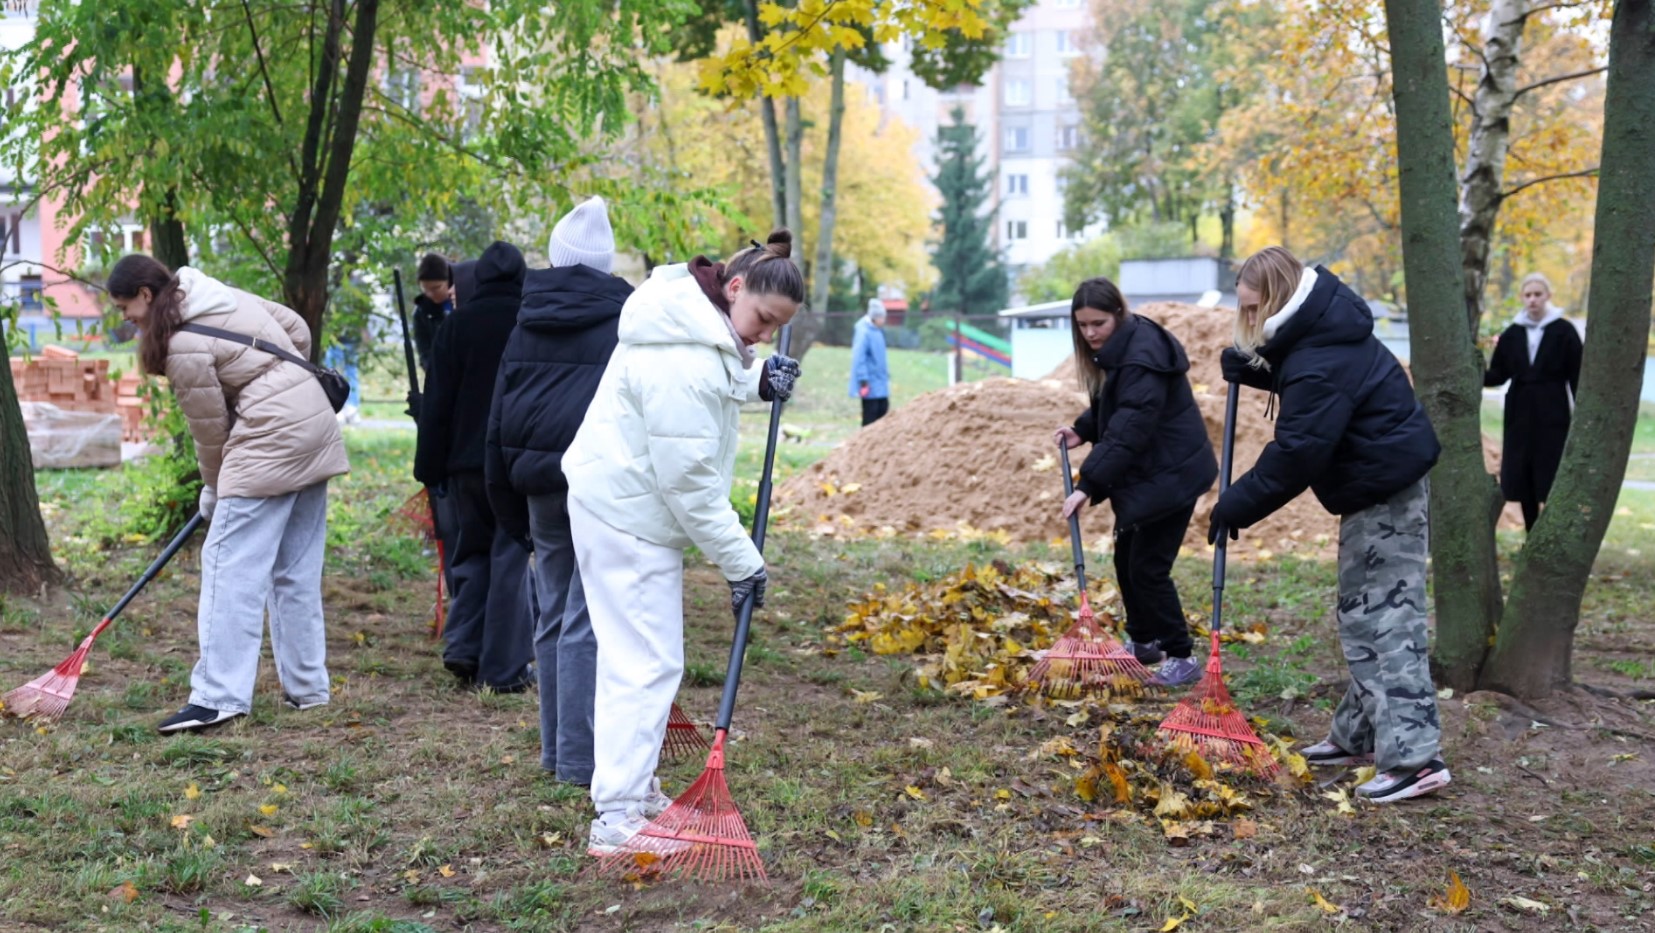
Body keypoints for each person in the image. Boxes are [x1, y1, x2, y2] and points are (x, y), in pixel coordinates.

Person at [561, 230, 803, 856]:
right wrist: (742, 565)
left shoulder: (691, 324)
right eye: (763, 320)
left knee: (643, 657)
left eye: (777, 330)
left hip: (623, 503)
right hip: (628, 515)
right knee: (643, 662)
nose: (764, 336)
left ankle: (634, 793)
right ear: (735, 287)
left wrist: (758, 384)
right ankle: (616, 817)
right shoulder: (683, 355)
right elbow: (689, 481)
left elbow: (717, 379)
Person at [1212, 245, 1449, 804]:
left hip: (1386, 492)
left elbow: (1299, 450)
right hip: (1373, 486)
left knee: (1386, 618)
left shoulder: (1321, 353)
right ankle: (1360, 735)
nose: (1247, 320)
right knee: (1360, 613)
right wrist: (1261, 373)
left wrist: (1235, 504)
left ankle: (1416, 759)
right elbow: (1322, 389)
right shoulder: (1320, 331)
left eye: (1252, 310)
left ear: (1274, 300)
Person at [106, 254, 349, 734]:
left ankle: (218, 696)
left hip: (269, 440)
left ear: (147, 295)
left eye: (124, 306)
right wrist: (275, 381)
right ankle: (308, 690)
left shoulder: (182, 346)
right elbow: (295, 329)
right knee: (295, 571)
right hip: (312, 426)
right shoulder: (217, 295)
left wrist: (216, 489)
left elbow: (210, 430)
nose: (125, 318)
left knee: (226, 565)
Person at [485, 197, 632, 787]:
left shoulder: (526, 316)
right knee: (584, 618)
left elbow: (498, 417)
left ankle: (554, 751)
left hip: (538, 488)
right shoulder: (625, 319)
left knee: (551, 613)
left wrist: (505, 507)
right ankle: (578, 760)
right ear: (605, 260)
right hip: (597, 481)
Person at [1052, 278, 1216, 688]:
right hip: (1150, 472)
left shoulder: (1142, 356)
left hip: (1171, 473)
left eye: (1099, 323)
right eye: (1083, 325)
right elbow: (1115, 406)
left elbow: (1130, 427)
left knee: (1148, 568)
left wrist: (1087, 484)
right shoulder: (1121, 349)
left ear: (1118, 314)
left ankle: (1180, 655)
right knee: (1127, 561)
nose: (1090, 333)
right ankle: (1144, 642)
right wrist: (1083, 429)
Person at [414, 241, 534, 693]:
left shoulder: (456, 327)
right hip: (512, 460)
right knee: (509, 557)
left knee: (470, 553)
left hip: (464, 463)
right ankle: (504, 670)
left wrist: (429, 467)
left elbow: (438, 402)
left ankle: (463, 647)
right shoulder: (528, 325)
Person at [1483, 272, 1583, 531]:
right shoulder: (1512, 333)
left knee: (1550, 465)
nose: (1533, 300)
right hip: (1520, 410)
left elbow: (1577, 375)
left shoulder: (1564, 331)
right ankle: (1531, 530)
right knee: (1523, 468)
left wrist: (1581, 412)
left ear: (1548, 296)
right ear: (1522, 298)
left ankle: (1554, 530)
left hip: (1553, 409)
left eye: (1538, 294)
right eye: (1528, 295)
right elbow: (1498, 373)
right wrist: (1471, 372)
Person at [850, 297, 890, 425]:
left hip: (880, 381)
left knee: (883, 410)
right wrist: (863, 380)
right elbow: (859, 358)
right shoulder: (863, 332)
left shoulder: (877, 331)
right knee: (870, 417)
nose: (884, 320)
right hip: (869, 383)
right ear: (875, 317)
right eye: (882, 317)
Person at [412, 252, 453, 377]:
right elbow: (425, 352)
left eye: (436, 288)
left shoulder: (466, 303)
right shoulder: (421, 312)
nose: (430, 294)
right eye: (425, 289)